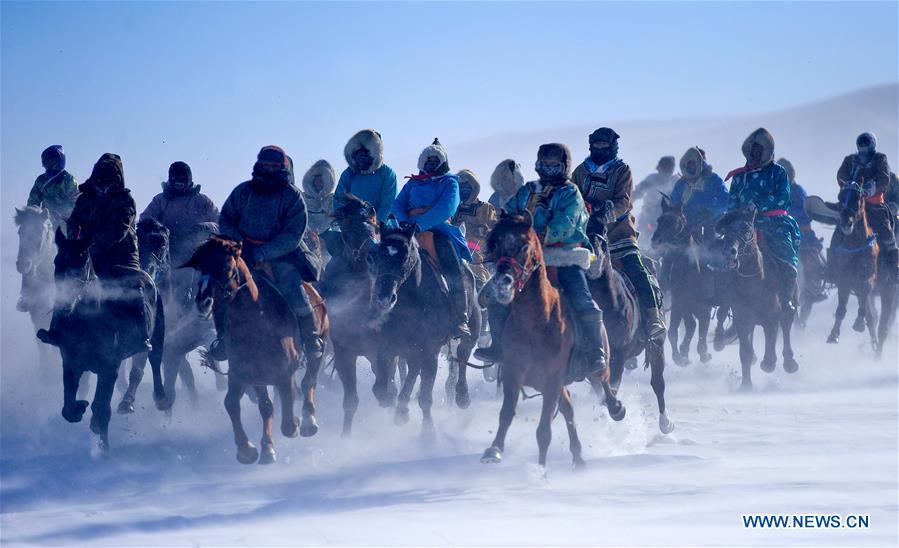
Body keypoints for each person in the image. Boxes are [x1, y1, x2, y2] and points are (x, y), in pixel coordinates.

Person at [475, 143, 607, 375]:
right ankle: (498, 346)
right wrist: (506, 228)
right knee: (496, 294)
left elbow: (568, 222)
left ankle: (595, 351)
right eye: (545, 164)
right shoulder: (528, 190)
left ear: (564, 166)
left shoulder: (570, 192)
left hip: (564, 255)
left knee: (582, 299)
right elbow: (510, 212)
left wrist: (540, 235)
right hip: (526, 257)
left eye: (554, 165)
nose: (549, 169)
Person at [37, 153, 152, 358]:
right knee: (65, 274)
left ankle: (141, 335)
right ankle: (56, 329)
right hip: (87, 251)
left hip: (122, 253)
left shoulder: (125, 200)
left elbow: (119, 230)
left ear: (117, 179)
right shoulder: (85, 198)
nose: (104, 182)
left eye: (109, 178)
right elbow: (75, 220)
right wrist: (75, 237)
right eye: (101, 177)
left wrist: (92, 244)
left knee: (134, 284)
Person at [214, 146, 322, 362]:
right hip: (242, 255)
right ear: (258, 166)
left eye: (273, 166)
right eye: (265, 165)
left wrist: (263, 252)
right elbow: (226, 219)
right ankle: (223, 339)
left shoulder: (292, 197)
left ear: (282, 168)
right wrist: (241, 246)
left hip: (281, 256)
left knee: (295, 291)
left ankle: (311, 339)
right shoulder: (242, 191)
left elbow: (293, 235)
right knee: (220, 290)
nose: (268, 169)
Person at [571, 127, 666, 342]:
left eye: (604, 145)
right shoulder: (580, 171)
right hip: (586, 235)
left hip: (619, 234)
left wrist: (606, 212)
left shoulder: (622, 170)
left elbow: (624, 200)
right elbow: (572, 196)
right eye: (597, 145)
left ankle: (653, 319)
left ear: (612, 146)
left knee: (637, 269)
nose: (600, 148)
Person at [392, 139, 472, 337]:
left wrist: (420, 223)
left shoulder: (450, 183)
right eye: (427, 160)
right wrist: (404, 222)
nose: (430, 163)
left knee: (452, 264)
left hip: (438, 230)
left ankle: (461, 317)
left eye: (435, 160)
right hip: (409, 230)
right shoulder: (413, 182)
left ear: (442, 162)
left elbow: (446, 208)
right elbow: (398, 204)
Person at [725, 128, 801, 310]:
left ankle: (787, 300)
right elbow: (732, 202)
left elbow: (783, 197)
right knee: (724, 252)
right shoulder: (739, 176)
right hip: (743, 224)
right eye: (752, 149)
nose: (755, 152)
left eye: (759, 149)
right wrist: (734, 216)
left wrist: (758, 206)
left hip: (773, 223)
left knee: (787, 257)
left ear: (767, 151)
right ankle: (725, 302)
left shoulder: (778, 172)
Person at [140, 161, 219, 293]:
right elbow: (145, 219)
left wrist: (205, 227)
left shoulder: (202, 201)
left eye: (182, 179)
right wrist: (158, 229)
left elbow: (220, 223)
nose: (178, 183)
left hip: (194, 250)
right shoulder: (161, 200)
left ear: (189, 180)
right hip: (167, 250)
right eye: (175, 179)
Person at [833, 132, 897, 274]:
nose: (863, 147)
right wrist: (849, 185)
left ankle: (894, 268)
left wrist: (871, 187)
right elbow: (841, 175)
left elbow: (884, 178)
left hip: (874, 204)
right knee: (839, 229)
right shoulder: (850, 160)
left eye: (865, 143)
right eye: (861, 144)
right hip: (853, 205)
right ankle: (832, 268)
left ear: (872, 144)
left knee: (887, 232)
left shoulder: (880, 159)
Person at [777, 157, 826, 303]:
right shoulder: (774, 192)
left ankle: (813, 287)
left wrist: (787, 214)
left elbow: (807, 211)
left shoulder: (798, 191)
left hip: (801, 235)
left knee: (810, 262)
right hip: (778, 235)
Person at [333, 129, 397, 222]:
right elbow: (338, 199)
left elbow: (388, 205)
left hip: (382, 226)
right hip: (353, 224)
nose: (363, 154)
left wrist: (377, 224)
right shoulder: (349, 173)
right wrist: (344, 221)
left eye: (367, 151)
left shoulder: (387, 174)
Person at [452, 169, 497, 284]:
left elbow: (493, 232)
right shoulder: (452, 208)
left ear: (474, 188)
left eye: (467, 187)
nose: (464, 190)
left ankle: (480, 284)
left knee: (475, 265)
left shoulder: (485, 208)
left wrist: (482, 231)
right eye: (461, 187)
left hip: (475, 248)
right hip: (453, 245)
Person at [670, 147, 728, 237]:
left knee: (710, 240)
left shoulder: (712, 179)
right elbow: (673, 203)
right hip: (686, 224)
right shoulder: (680, 184)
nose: (691, 166)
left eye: (695, 162)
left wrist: (711, 212)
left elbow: (726, 200)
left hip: (711, 222)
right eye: (690, 163)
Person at [26, 145, 79, 229]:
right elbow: (33, 202)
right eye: (48, 162)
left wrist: (60, 215)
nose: (50, 164)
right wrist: (31, 217)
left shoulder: (69, 180)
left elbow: (73, 203)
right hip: (45, 221)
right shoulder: (41, 180)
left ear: (60, 161)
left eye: (53, 161)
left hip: (65, 221)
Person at [634, 155, 679, 244]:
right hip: (648, 213)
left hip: (666, 215)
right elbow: (637, 192)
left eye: (668, 168)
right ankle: (639, 245)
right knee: (643, 232)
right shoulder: (651, 178)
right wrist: (627, 203)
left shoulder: (675, 181)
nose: (665, 172)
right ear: (659, 168)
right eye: (664, 168)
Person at [301, 159, 337, 263]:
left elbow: (336, 223)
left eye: (322, 180)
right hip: (305, 236)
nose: (319, 182)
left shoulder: (332, 200)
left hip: (327, 237)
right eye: (317, 179)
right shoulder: (302, 198)